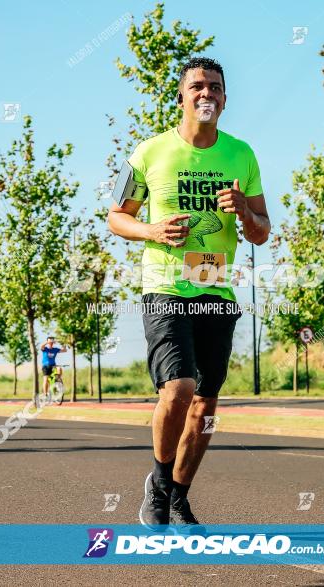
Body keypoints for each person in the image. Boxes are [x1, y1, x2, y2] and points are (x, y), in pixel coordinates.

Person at [107, 57, 271, 529]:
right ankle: (158, 485)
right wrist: (153, 230)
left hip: (215, 288)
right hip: (165, 287)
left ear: (224, 98)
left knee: (206, 406)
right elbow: (116, 216)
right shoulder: (149, 153)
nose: (206, 94)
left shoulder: (242, 155)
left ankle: (179, 497)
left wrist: (243, 210)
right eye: (197, 86)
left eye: (215, 87)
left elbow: (261, 231)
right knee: (179, 388)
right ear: (181, 97)